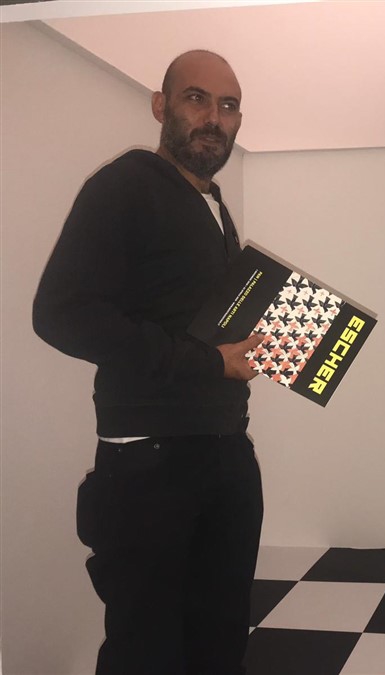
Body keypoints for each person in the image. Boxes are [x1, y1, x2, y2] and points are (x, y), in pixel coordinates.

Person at [33, 50, 264, 674]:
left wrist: (256, 345)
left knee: (220, 640)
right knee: (147, 652)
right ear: (161, 106)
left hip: (224, 451)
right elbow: (60, 314)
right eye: (196, 98)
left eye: (228, 106)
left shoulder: (212, 205)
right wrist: (207, 364)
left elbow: (191, 324)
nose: (214, 117)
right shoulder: (125, 185)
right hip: (149, 466)